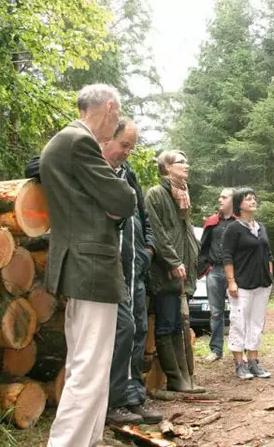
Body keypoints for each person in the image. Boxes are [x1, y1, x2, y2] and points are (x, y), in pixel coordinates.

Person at [41, 84, 137, 446]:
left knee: (90, 362)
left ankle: (87, 439)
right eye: (118, 114)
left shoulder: (63, 141)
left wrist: (109, 204)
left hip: (78, 264)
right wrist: (113, 202)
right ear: (110, 108)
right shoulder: (79, 142)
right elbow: (123, 201)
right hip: (91, 264)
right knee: (89, 366)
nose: (116, 123)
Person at [101, 120, 162, 425]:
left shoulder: (129, 174)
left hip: (137, 270)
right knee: (122, 333)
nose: (127, 152)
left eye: (131, 147)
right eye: (123, 145)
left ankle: (135, 397)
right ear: (105, 139)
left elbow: (143, 218)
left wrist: (148, 250)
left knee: (138, 330)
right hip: (111, 271)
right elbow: (39, 165)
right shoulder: (93, 167)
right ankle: (116, 402)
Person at [145, 150, 205, 394]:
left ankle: (184, 377)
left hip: (185, 271)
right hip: (166, 272)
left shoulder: (182, 195)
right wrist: (172, 261)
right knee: (166, 324)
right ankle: (175, 378)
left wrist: (194, 260)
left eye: (186, 160)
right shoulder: (156, 194)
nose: (186, 165)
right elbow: (157, 232)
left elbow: (186, 233)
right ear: (167, 167)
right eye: (181, 162)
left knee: (179, 326)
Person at [222, 188, 274, 379]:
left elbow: (268, 253)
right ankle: (239, 363)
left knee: (257, 323)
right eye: (248, 199)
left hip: (262, 284)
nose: (253, 201)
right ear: (239, 204)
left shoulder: (261, 227)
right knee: (238, 323)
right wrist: (231, 281)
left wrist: (269, 274)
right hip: (241, 285)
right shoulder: (233, 228)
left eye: (254, 198)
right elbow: (226, 255)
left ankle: (253, 361)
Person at [197, 188, 235, 362]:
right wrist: (204, 268)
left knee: (237, 312)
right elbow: (202, 247)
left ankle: (238, 349)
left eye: (224, 197)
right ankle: (216, 350)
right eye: (220, 196)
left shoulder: (239, 222)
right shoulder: (212, 222)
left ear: (233, 201)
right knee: (216, 312)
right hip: (214, 272)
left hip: (235, 273)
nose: (220, 199)